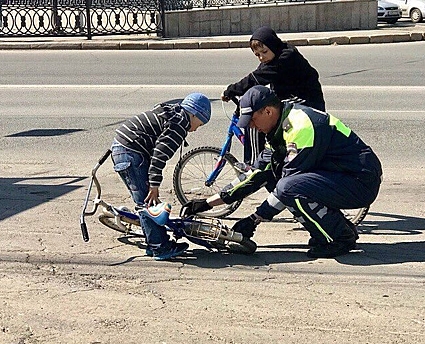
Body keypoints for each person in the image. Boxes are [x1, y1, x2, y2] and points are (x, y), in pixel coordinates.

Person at [183, 85, 382, 258]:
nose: (251, 127)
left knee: (288, 188)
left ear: (268, 111)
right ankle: (335, 229)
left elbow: (287, 187)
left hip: (360, 181)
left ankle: (340, 238)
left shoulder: (300, 127)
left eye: (252, 120)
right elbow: (256, 173)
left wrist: (254, 219)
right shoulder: (279, 126)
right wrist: (207, 203)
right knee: (277, 180)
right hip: (340, 175)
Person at [111, 93, 211, 260]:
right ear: (193, 114)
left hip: (125, 147)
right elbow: (159, 157)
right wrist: (154, 185)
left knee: (148, 202)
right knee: (147, 203)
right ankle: (160, 248)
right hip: (130, 153)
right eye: (199, 124)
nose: (195, 129)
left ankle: (155, 243)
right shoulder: (178, 127)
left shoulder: (174, 112)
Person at [221, 26, 326, 166]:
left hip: (307, 102)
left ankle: (253, 164)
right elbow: (257, 79)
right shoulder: (272, 58)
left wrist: (231, 90)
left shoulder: (286, 56)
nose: (261, 57)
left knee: (255, 119)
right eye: (257, 55)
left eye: (264, 52)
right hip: (291, 98)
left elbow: (256, 78)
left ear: (273, 45)